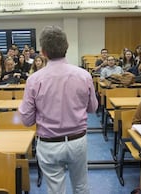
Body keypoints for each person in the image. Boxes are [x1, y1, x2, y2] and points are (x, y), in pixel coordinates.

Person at [19, 25, 98, 194]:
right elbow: (93, 108)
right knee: (81, 186)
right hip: (78, 141)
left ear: (43, 52)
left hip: (49, 144)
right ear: (66, 47)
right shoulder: (84, 75)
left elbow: (26, 120)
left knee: (55, 190)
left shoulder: (34, 80)